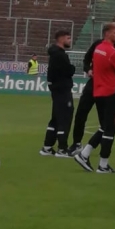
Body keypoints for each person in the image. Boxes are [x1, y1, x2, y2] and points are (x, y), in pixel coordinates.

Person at [75, 23, 115, 173]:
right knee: (110, 128)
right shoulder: (114, 53)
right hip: (110, 92)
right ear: (107, 33)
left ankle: (85, 154)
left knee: (105, 126)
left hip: (99, 91)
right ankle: (102, 165)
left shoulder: (98, 48)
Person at [69, 35, 115, 156]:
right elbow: (87, 59)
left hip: (107, 87)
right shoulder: (98, 44)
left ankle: (102, 147)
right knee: (81, 113)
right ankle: (76, 143)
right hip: (93, 83)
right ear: (108, 33)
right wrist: (88, 69)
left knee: (106, 121)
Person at [40, 30, 75, 158]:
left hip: (56, 90)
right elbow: (68, 70)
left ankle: (47, 147)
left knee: (55, 118)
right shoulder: (60, 55)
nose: (70, 40)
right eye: (68, 38)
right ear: (61, 39)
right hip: (62, 90)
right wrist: (72, 68)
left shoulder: (54, 54)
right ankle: (62, 149)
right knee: (64, 118)